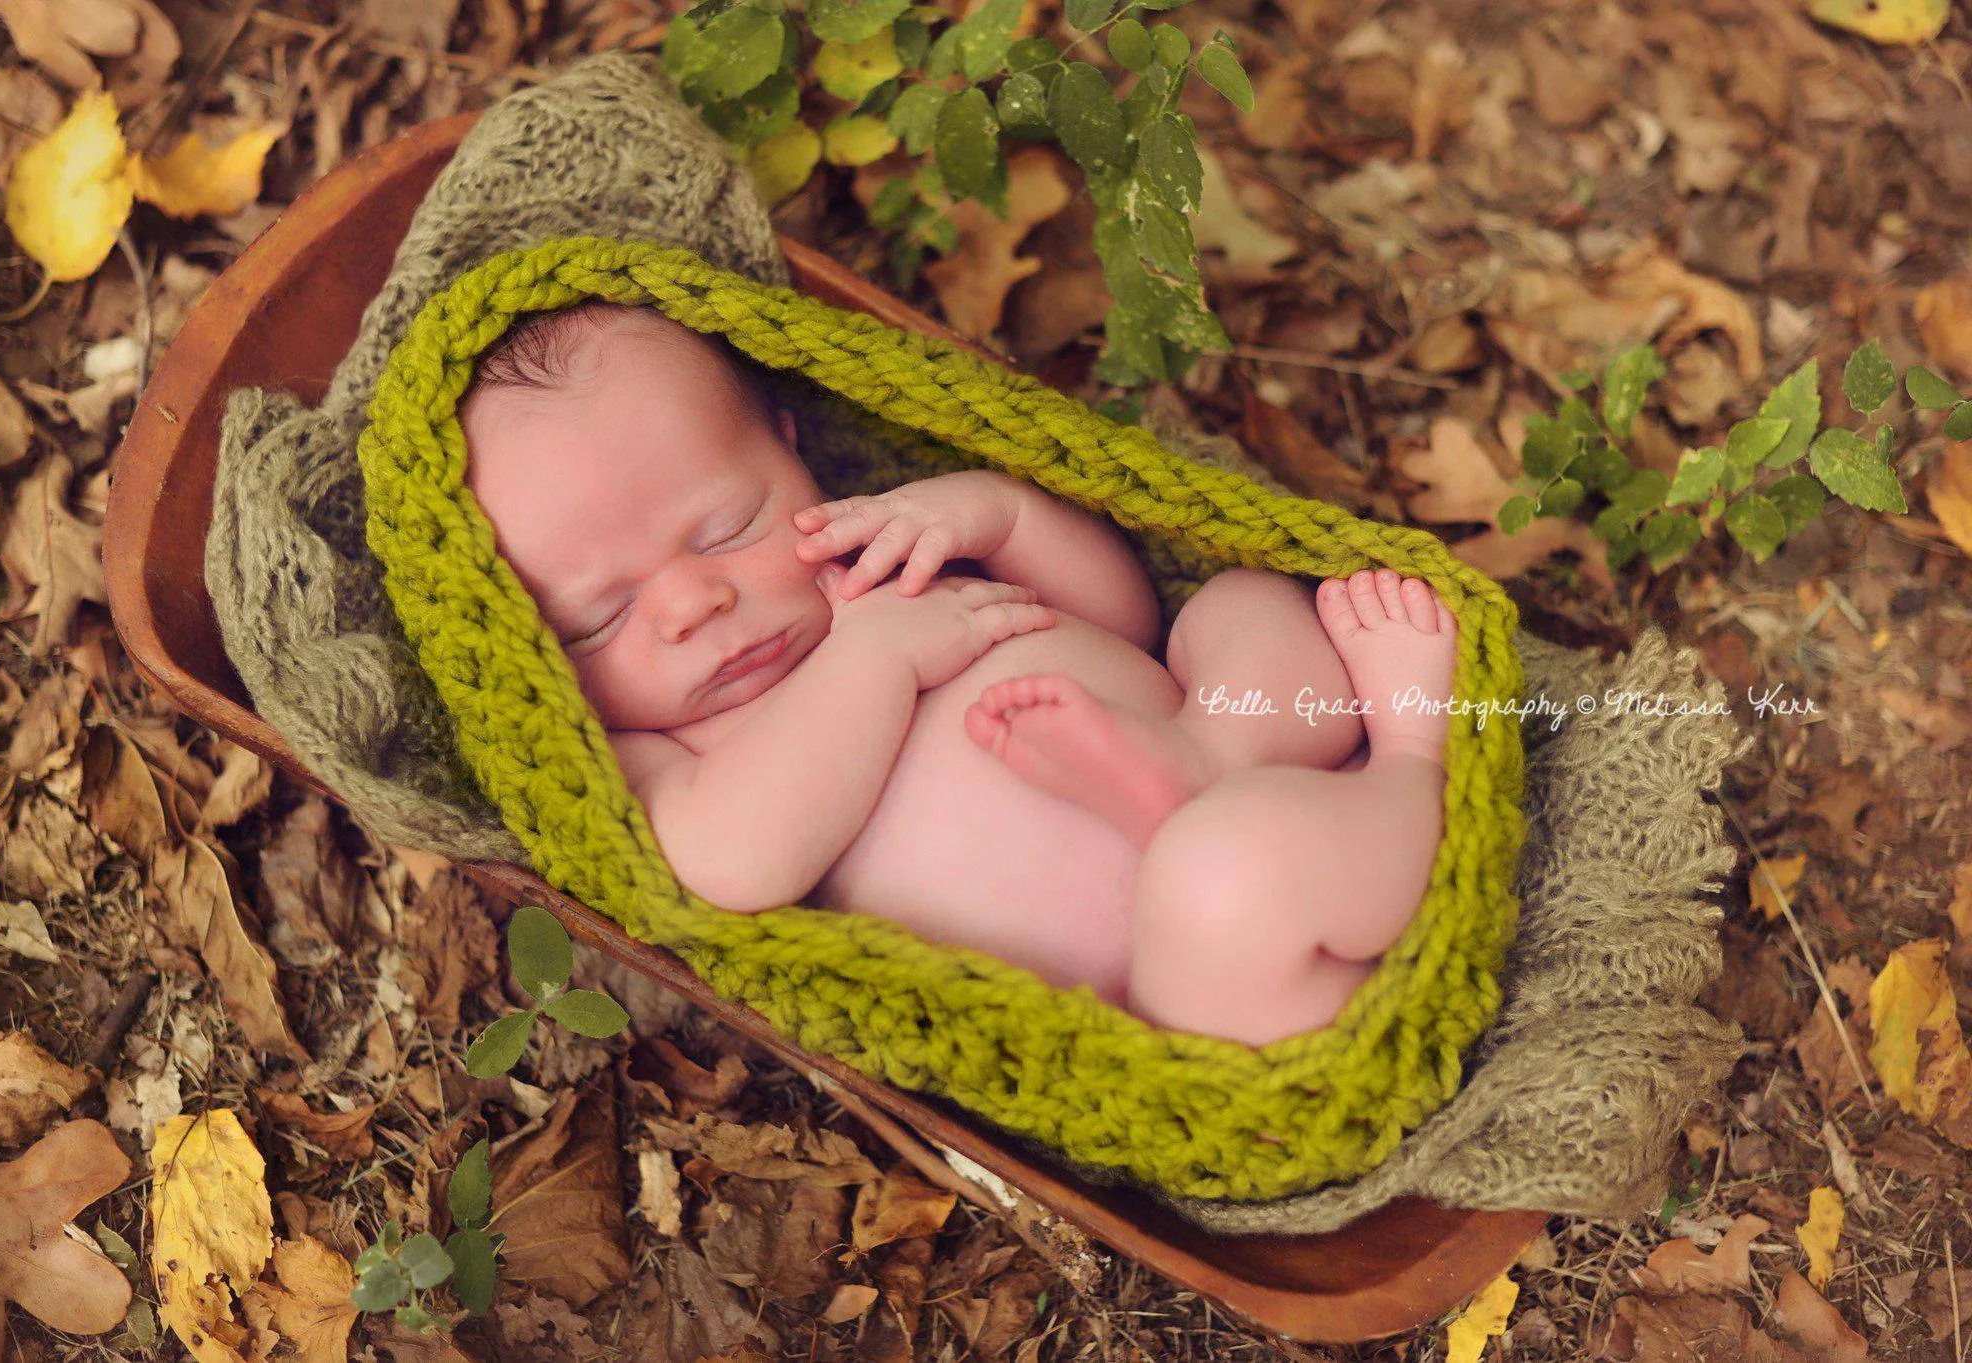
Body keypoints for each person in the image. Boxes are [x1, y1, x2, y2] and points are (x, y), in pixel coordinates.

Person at [458, 300, 1459, 1046]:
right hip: (1211, 983)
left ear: (788, 443)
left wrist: (997, 515)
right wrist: (876, 655)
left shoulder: (877, 554)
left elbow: (1120, 619)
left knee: (1236, 604)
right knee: (1219, 869)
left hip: (1260, 759)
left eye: (726, 529)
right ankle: (1411, 747)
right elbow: (735, 863)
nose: (690, 605)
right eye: (600, 618)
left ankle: (1208, 751)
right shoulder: (663, 750)